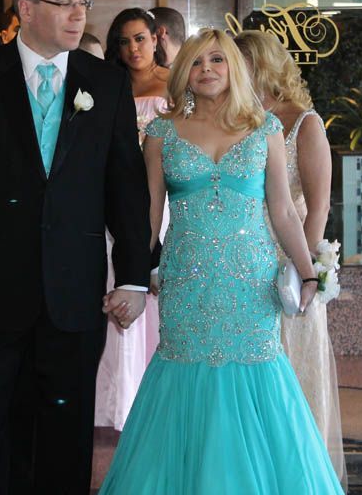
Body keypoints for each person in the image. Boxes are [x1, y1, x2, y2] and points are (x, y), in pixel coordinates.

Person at [0, 0, 152, 494]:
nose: (78, 15)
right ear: (26, 8)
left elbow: (126, 188)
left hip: (73, 294)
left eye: (82, 3)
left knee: (66, 433)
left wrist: (134, 277)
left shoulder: (107, 83)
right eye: (64, 3)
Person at [99, 29, 343, 494]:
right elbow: (148, 217)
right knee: (184, 373)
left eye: (217, 60)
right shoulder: (160, 134)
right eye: (196, 62)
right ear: (183, 73)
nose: (207, 69)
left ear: (234, 67)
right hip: (187, 279)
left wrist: (307, 271)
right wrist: (132, 277)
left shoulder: (265, 129)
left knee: (258, 377)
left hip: (252, 282)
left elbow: (285, 210)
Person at [235, 30, 346, 488]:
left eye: (238, 63)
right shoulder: (238, 119)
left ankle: (299, 475)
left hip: (289, 256)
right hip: (242, 257)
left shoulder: (304, 123)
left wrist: (301, 270)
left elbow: (317, 205)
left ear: (263, 65)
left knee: (293, 374)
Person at [94, 9, 170, 431]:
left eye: (139, 39)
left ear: (156, 38)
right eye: (124, 42)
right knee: (116, 277)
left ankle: (153, 395)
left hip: (164, 200)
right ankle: (116, 399)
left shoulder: (175, 85)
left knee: (156, 286)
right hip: (119, 198)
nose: (133, 49)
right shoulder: (110, 85)